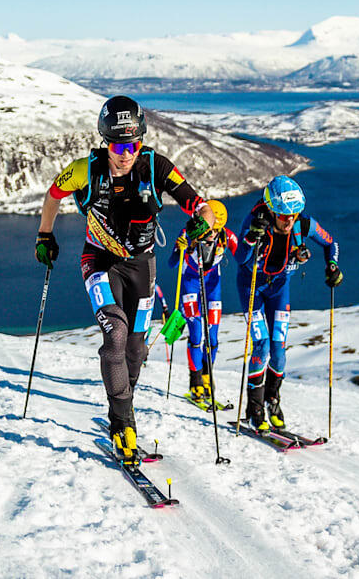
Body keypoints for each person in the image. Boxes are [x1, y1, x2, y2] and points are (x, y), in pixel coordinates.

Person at [35, 95, 216, 464]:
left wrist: (202, 220)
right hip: (98, 260)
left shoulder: (155, 166)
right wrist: (44, 235)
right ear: (106, 141)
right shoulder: (85, 169)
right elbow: (53, 195)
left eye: (133, 144)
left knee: (135, 349)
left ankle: (121, 401)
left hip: (141, 265)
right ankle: (123, 424)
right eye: (118, 145)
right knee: (114, 333)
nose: (125, 153)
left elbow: (199, 204)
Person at [235, 175, 341, 430]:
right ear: (271, 209)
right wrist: (251, 237)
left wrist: (333, 265)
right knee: (261, 347)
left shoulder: (302, 226)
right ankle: (254, 406)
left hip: (280, 290)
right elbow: (240, 257)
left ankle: (273, 398)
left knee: (279, 352)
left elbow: (330, 243)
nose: (288, 220)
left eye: (293, 214)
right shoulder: (256, 221)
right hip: (252, 289)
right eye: (283, 214)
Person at [167, 200, 238, 403]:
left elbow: (244, 257)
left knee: (213, 337)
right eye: (208, 230)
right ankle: (195, 380)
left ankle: (208, 375)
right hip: (190, 284)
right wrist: (178, 249)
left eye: (216, 230)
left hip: (212, 286)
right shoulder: (188, 233)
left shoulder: (226, 236)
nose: (211, 235)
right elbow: (171, 263)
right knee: (196, 334)